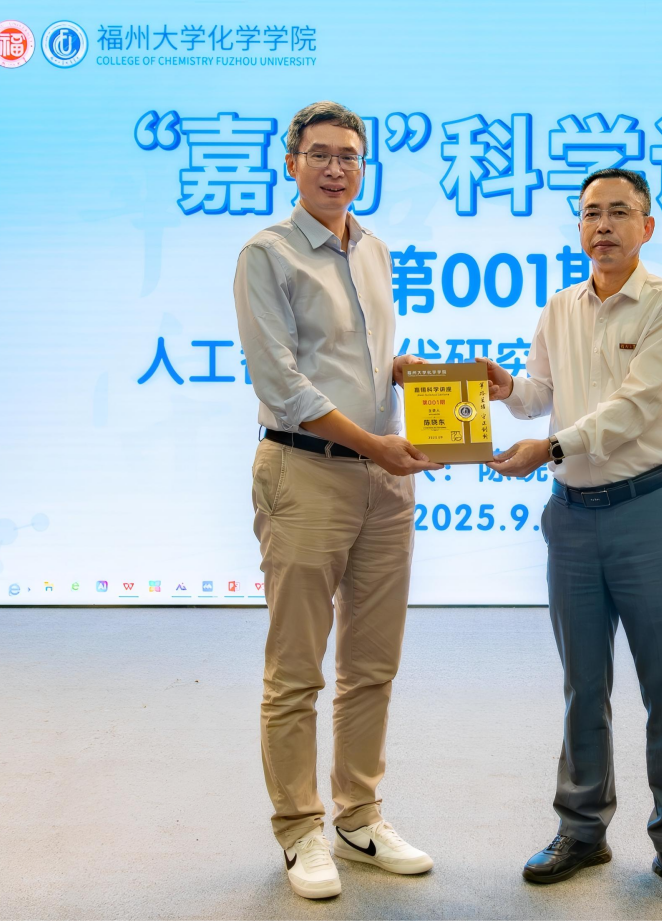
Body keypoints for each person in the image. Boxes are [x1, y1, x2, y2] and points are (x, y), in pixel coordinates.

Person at [479, 168, 662, 908]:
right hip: (573, 517)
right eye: (590, 214)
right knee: (584, 682)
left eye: (618, 212)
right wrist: (504, 387)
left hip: (646, 512)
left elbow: (640, 404)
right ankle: (582, 828)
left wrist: (550, 446)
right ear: (578, 226)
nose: (602, 226)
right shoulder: (559, 307)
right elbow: (540, 395)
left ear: (647, 225)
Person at [233, 101, 441, 900]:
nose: (334, 168)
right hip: (306, 471)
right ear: (291, 162)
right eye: (319, 153)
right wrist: (373, 443)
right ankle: (299, 829)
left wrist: (400, 372)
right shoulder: (268, 253)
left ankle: (359, 815)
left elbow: (358, 359)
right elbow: (282, 382)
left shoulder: (375, 249)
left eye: (349, 156)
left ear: (364, 167)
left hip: (385, 481)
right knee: (296, 669)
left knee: (371, 663)